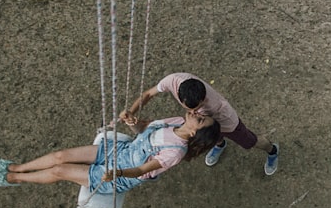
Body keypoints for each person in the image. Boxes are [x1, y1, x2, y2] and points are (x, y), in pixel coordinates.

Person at [0, 112, 221, 208]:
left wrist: (117, 173)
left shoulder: (175, 153)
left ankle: (14, 178)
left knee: (59, 170)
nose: (196, 113)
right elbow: (143, 130)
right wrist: (132, 122)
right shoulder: (176, 121)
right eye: (201, 115)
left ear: (193, 134)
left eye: (200, 120)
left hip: (118, 176)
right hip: (117, 151)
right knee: (60, 156)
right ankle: (17, 166)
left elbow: (140, 170)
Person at [119, 72, 279, 175]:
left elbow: (205, 126)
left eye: (197, 109)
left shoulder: (215, 106)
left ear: (204, 99)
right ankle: (220, 144)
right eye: (190, 109)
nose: (193, 112)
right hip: (204, 125)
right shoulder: (173, 81)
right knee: (209, 136)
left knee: (251, 141)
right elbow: (148, 93)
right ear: (180, 98)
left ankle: (272, 150)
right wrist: (131, 112)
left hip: (226, 123)